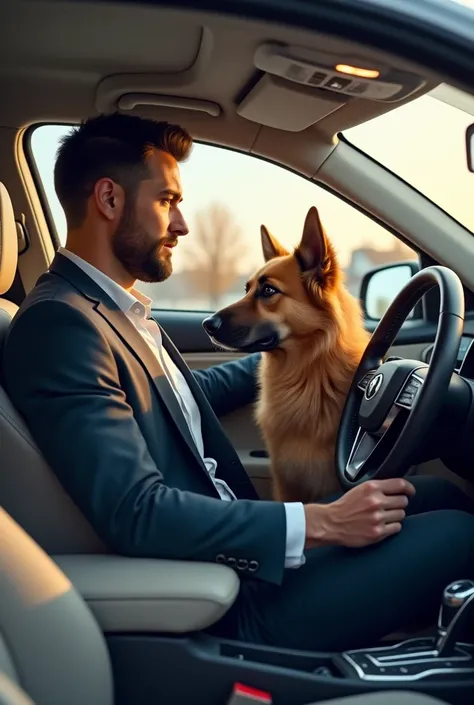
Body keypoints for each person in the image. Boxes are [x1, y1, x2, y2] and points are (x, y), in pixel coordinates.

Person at [3, 113, 474, 652]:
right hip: (232, 600)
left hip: (240, 559)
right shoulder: (62, 325)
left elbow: (173, 406)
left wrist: (320, 356)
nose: (181, 224)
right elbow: (136, 512)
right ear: (109, 200)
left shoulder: (109, 311)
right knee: (461, 535)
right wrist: (322, 523)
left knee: (437, 494)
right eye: (167, 201)